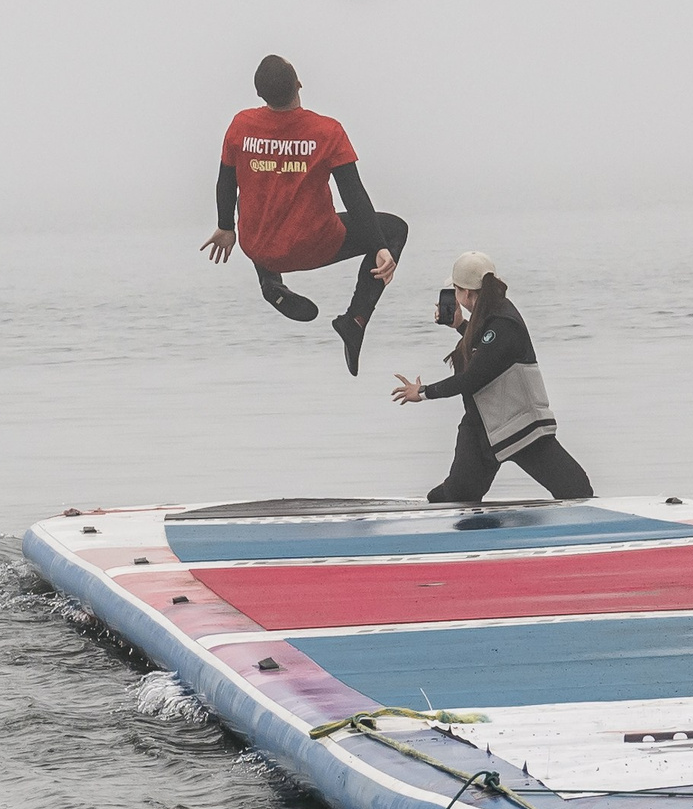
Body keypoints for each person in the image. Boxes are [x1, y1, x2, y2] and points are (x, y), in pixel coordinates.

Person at [200, 55, 408, 375]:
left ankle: (270, 283)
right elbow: (354, 196)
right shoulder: (327, 131)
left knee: (249, 194)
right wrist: (380, 246)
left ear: (260, 95)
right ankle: (355, 320)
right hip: (316, 245)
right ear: (298, 84)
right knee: (395, 229)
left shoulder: (241, 125)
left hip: (260, 248)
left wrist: (226, 227)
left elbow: (226, 179)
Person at [391, 251, 594, 502]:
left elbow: (472, 378)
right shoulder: (489, 317)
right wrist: (459, 325)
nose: (454, 295)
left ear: (466, 293)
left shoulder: (503, 322)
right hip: (481, 429)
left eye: (455, 289)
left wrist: (422, 393)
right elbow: (486, 350)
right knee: (458, 495)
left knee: (577, 490)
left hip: (519, 427)